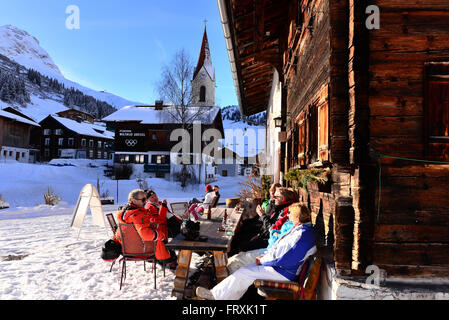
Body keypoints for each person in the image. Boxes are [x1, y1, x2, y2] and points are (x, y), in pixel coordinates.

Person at [195, 203, 316, 300]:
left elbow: (285, 256)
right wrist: (265, 256)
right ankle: (219, 295)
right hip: (283, 268)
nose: (288, 215)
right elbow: (281, 249)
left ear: (297, 216)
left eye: (290, 213)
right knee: (243, 271)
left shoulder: (302, 235)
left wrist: (263, 260)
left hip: (284, 272)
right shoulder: (301, 230)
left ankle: (215, 296)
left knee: (244, 273)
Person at [229, 187, 295, 255]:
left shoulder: (286, 210)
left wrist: (262, 215)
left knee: (241, 245)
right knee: (238, 236)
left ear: (282, 198)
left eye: (275, 196)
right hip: (263, 233)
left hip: (269, 240)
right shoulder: (279, 207)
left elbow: (272, 229)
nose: (273, 198)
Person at [113, 189, 171, 261]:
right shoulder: (137, 215)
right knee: (161, 240)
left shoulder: (125, 213)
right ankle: (167, 260)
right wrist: (161, 235)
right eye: (143, 200)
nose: (146, 202)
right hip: (140, 250)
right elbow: (146, 235)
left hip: (125, 249)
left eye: (146, 199)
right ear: (134, 201)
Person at [144, 189, 178, 264]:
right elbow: (160, 220)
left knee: (187, 232)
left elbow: (169, 215)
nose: (155, 198)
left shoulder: (158, 204)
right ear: (147, 200)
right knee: (184, 237)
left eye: (155, 196)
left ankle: (200, 251)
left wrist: (180, 220)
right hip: (162, 231)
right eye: (152, 197)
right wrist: (163, 206)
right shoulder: (149, 207)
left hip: (169, 227)